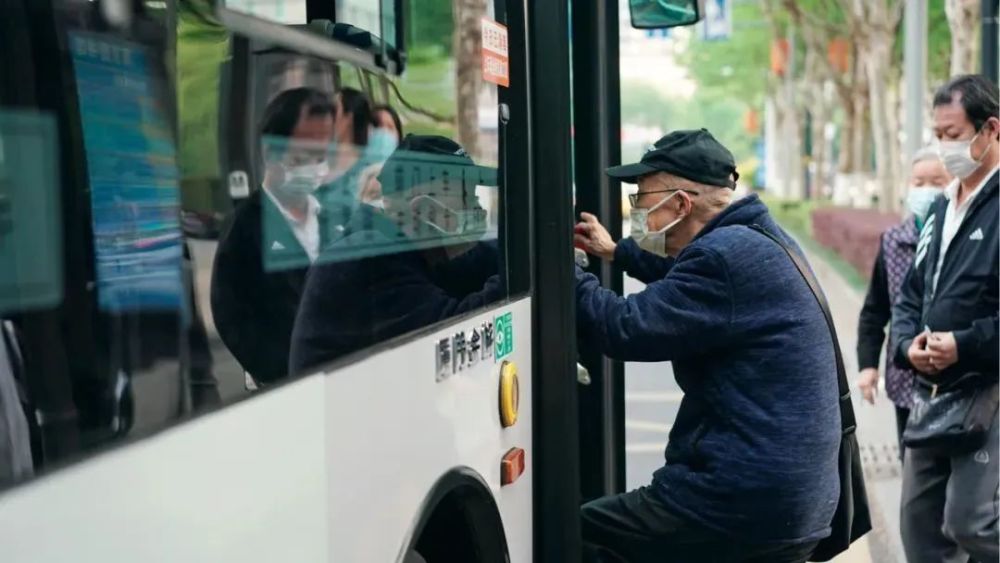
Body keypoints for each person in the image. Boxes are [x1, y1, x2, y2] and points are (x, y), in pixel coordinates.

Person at [573, 129, 841, 562]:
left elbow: (623, 327)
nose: (637, 211)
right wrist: (616, 253)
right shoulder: (754, 238)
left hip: (739, 501)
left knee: (578, 532)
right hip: (791, 498)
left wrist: (558, 266)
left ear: (680, 203)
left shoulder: (721, 258)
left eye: (641, 200)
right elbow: (684, 282)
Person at [891, 74, 999, 563]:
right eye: (938, 134)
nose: (944, 146)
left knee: (971, 524)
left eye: (953, 134)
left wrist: (965, 343)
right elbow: (912, 292)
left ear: (990, 130)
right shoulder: (939, 206)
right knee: (919, 530)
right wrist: (907, 343)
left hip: (988, 390)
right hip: (932, 395)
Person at [289, 135, 502, 375]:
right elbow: (454, 329)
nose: (478, 209)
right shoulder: (370, 258)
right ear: (426, 211)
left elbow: (478, 261)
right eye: (468, 198)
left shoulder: (412, 248)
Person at [211, 87, 337, 385]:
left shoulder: (332, 219)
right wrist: (285, 370)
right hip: (283, 389)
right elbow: (231, 317)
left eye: (322, 155)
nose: (315, 167)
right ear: (271, 152)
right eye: (304, 154)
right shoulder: (244, 228)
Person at [856, 148, 952, 452]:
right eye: (919, 182)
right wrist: (868, 366)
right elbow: (875, 309)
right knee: (912, 469)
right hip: (904, 381)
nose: (927, 190)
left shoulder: (963, 239)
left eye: (937, 181)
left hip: (954, 381)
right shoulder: (893, 241)